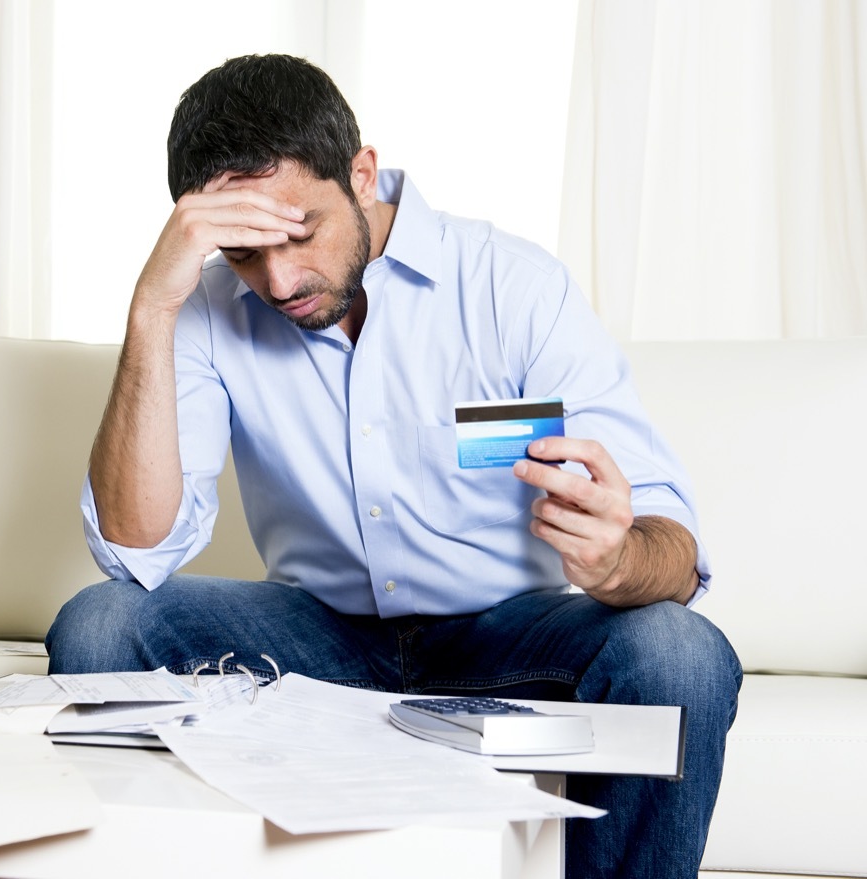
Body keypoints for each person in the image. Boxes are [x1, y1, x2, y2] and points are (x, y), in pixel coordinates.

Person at [46, 54, 741, 878]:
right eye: (242, 253)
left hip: (507, 636)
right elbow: (135, 550)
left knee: (682, 653)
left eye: (300, 234)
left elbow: (673, 544)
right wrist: (152, 307)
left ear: (363, 174)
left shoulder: (510, 288)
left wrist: (619, 555)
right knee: (97, 624)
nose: (278, 279)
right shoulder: (203, 311)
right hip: (320, 637)